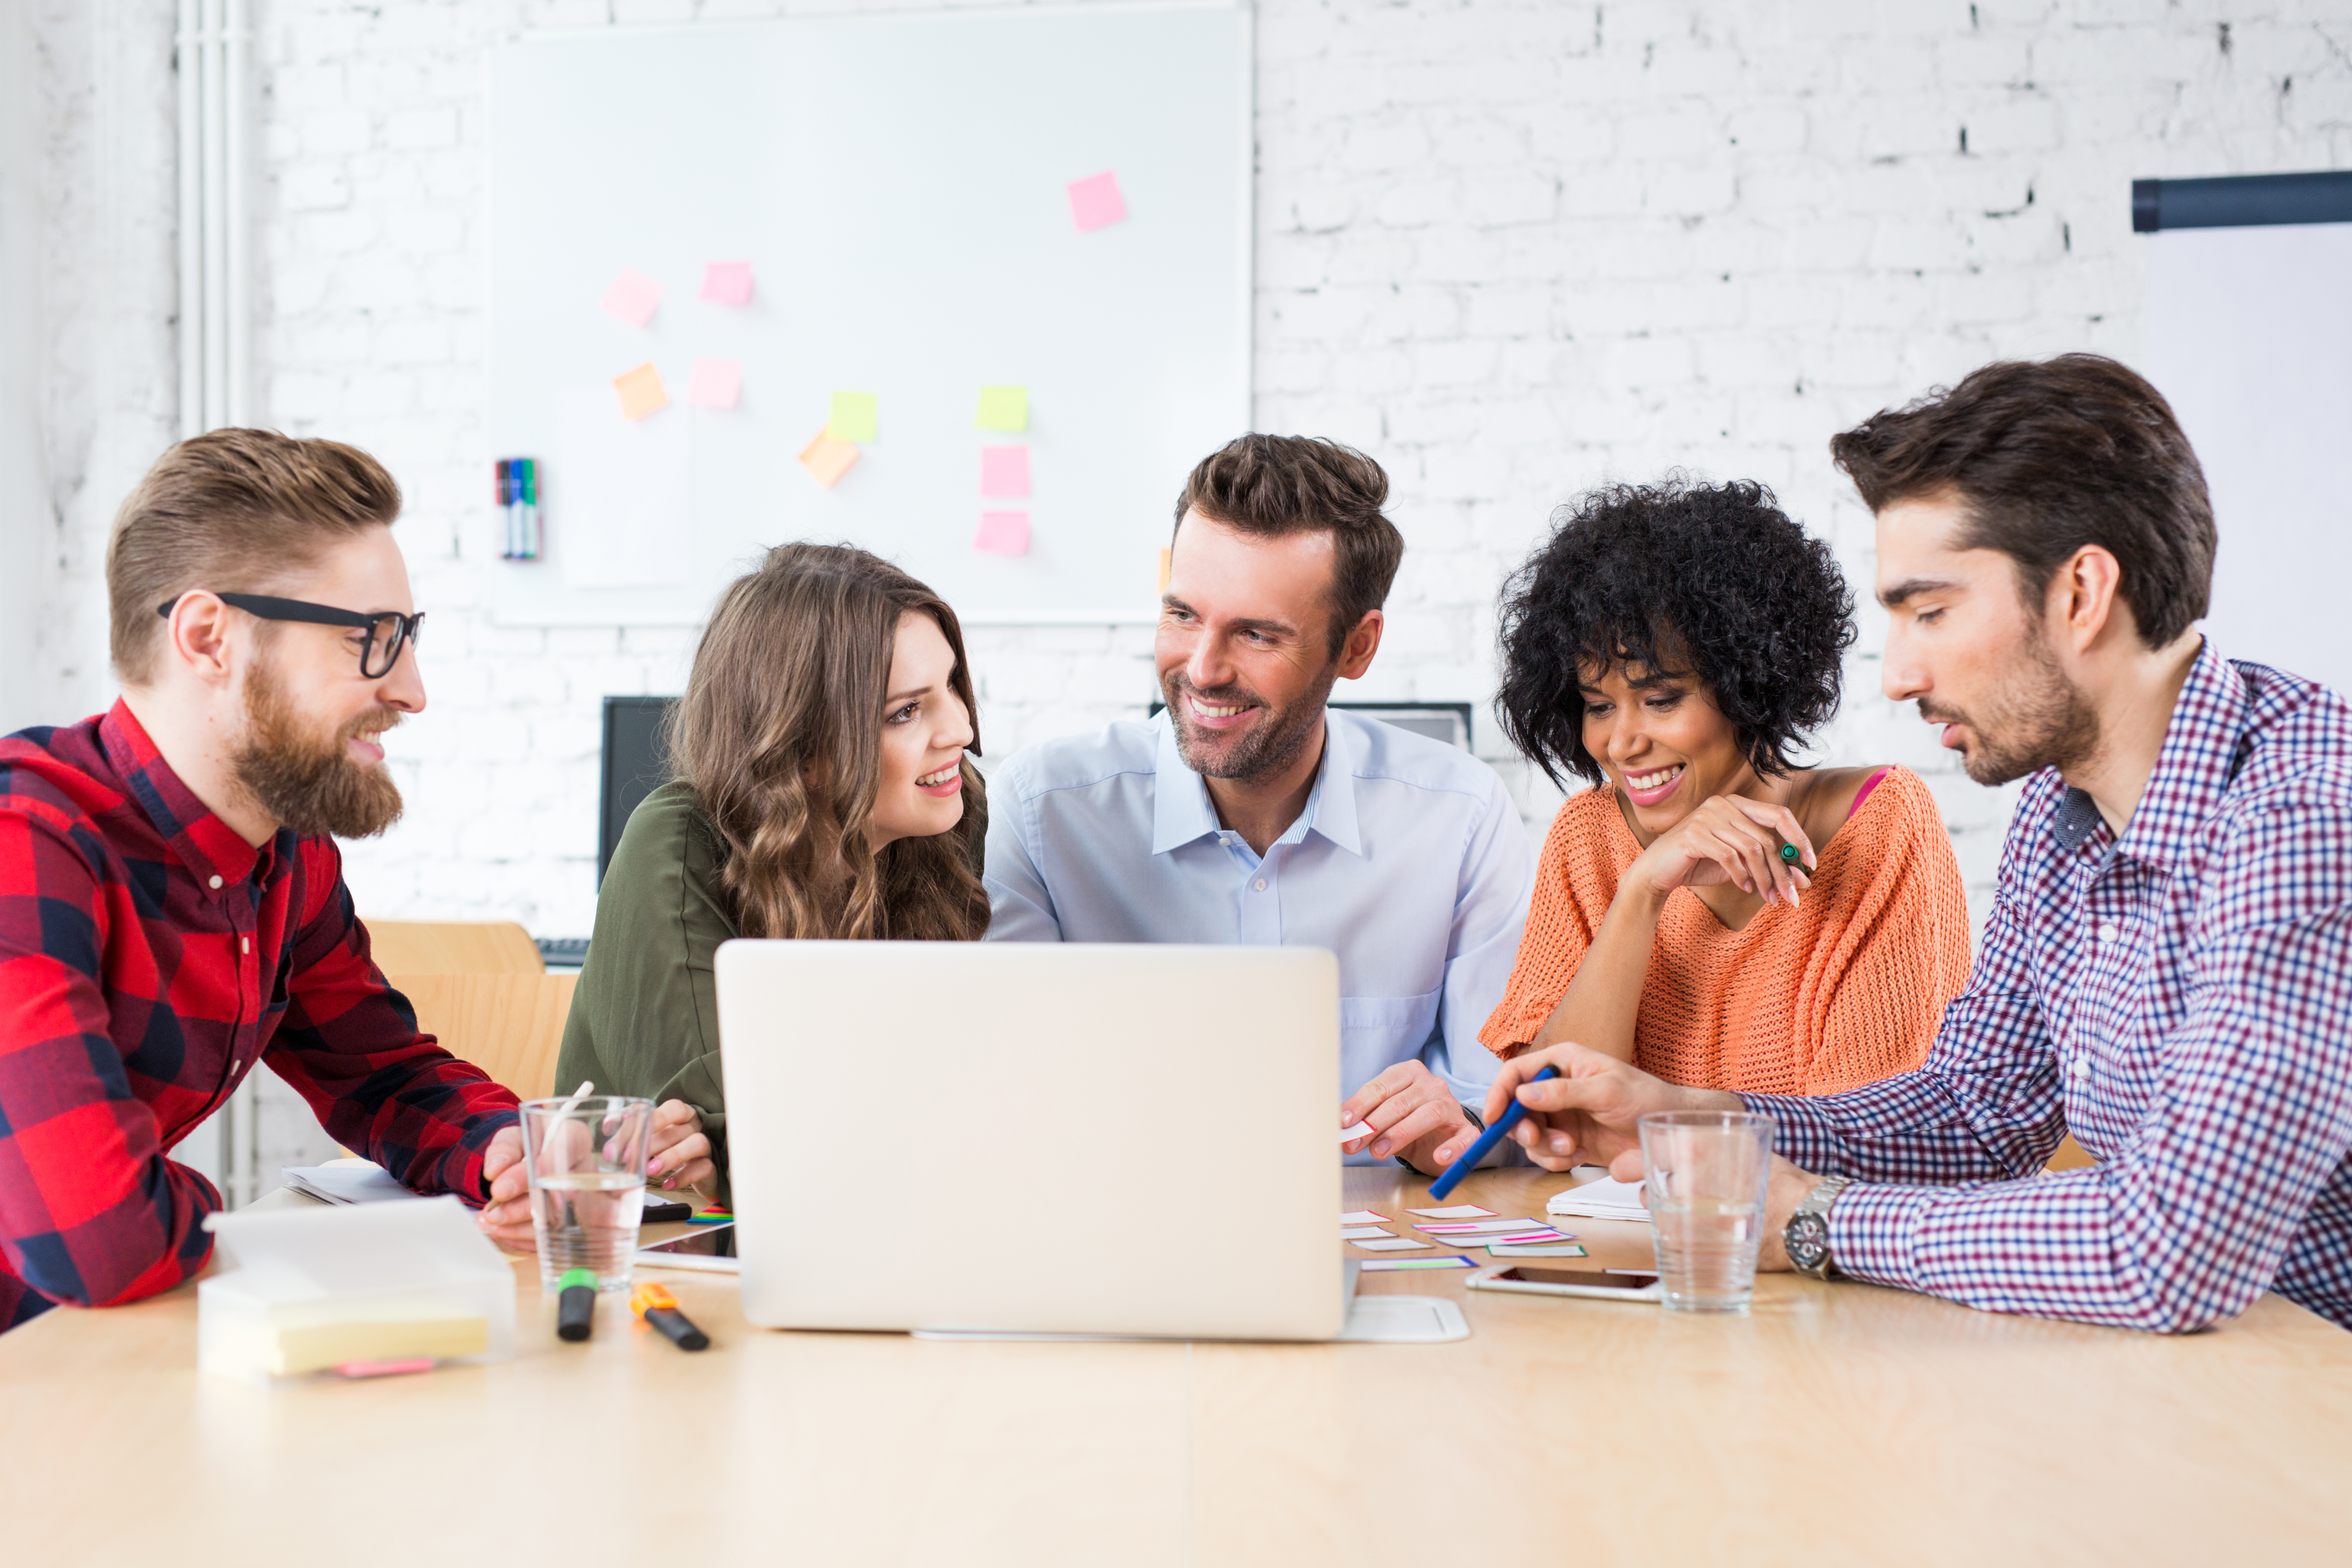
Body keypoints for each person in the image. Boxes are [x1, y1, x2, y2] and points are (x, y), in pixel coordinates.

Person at [1487, 354, 2352, 1333]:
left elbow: (2167, 1251)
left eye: (1930, 612)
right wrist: (1695, 1119)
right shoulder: (2057, 816)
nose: (1896, 675)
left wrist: (1814, 1223)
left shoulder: (2302, 818)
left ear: (2080, 593)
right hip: (2208, 1377)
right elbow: (1976, 1113)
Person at [0, 429, 538, 1334]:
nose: (411, 690)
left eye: (406, 638)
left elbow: (381, 1075)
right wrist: (211, 1209)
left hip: (75, 1345)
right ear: (210, 637)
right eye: (371, 639)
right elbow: (95, 1237)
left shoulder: (287, 855)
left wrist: (511, 1151)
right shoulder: (30, 842)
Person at [984, 435, 1533, 1175]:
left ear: (1357, 648)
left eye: (1256, 633)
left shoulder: (1459, 814)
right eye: (1183, 615)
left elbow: (1493, 1116)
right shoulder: (1044, 813)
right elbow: (1005, 1108)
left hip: (1380, 1251)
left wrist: (1457, 1131)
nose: (1203, 670)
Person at [1479, 478, 1973, 1095]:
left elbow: (1868, 1132)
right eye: (1599, 705)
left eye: (1661, 699)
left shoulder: (1880, 824)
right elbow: (1550, 1112)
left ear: (1750, 685)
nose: (1622, 743)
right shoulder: (1589, 839)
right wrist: (1642, 888)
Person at [556, 544, 987, 1201]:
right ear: (801, 751)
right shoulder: (675, 847)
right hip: (669, 1257)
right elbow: (748, 1137)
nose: (959, 728)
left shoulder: (950, 817)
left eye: (952, 685)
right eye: (906, 711)